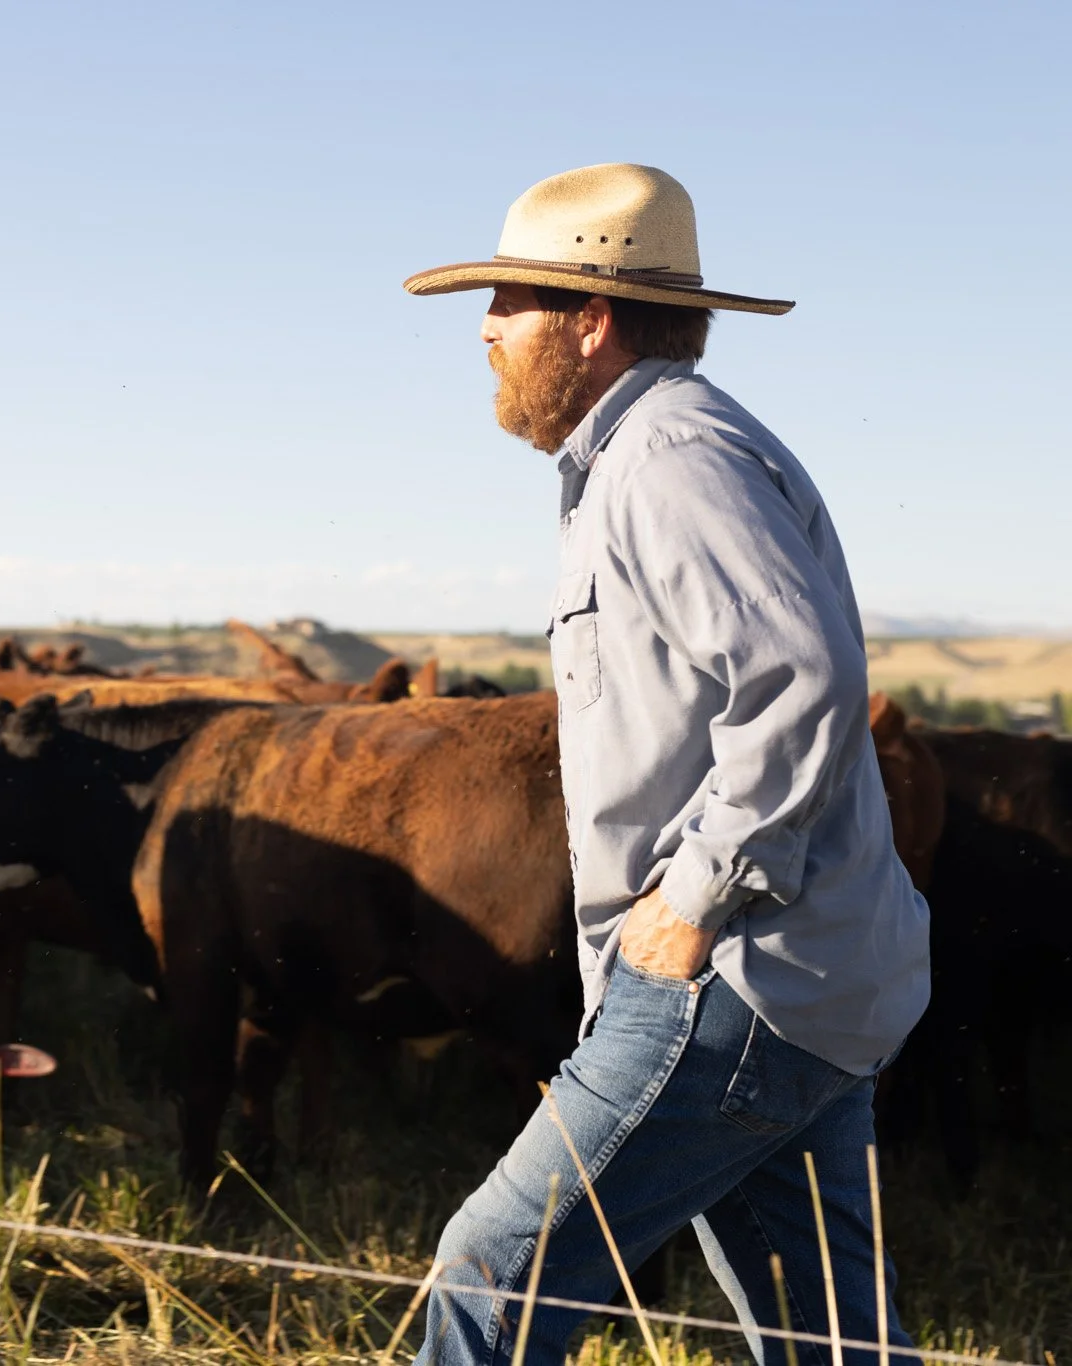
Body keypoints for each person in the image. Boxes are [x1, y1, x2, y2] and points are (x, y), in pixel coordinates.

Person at [401, 164, 929, 1366]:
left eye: (508, 299)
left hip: (727, 986)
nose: (484, 327)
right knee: (828, 1336)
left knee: (488, 1277)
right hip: (800, 982)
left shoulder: (665, 457)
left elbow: (798, 676)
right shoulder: (649, 457)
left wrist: (692, 897)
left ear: (588, 319)